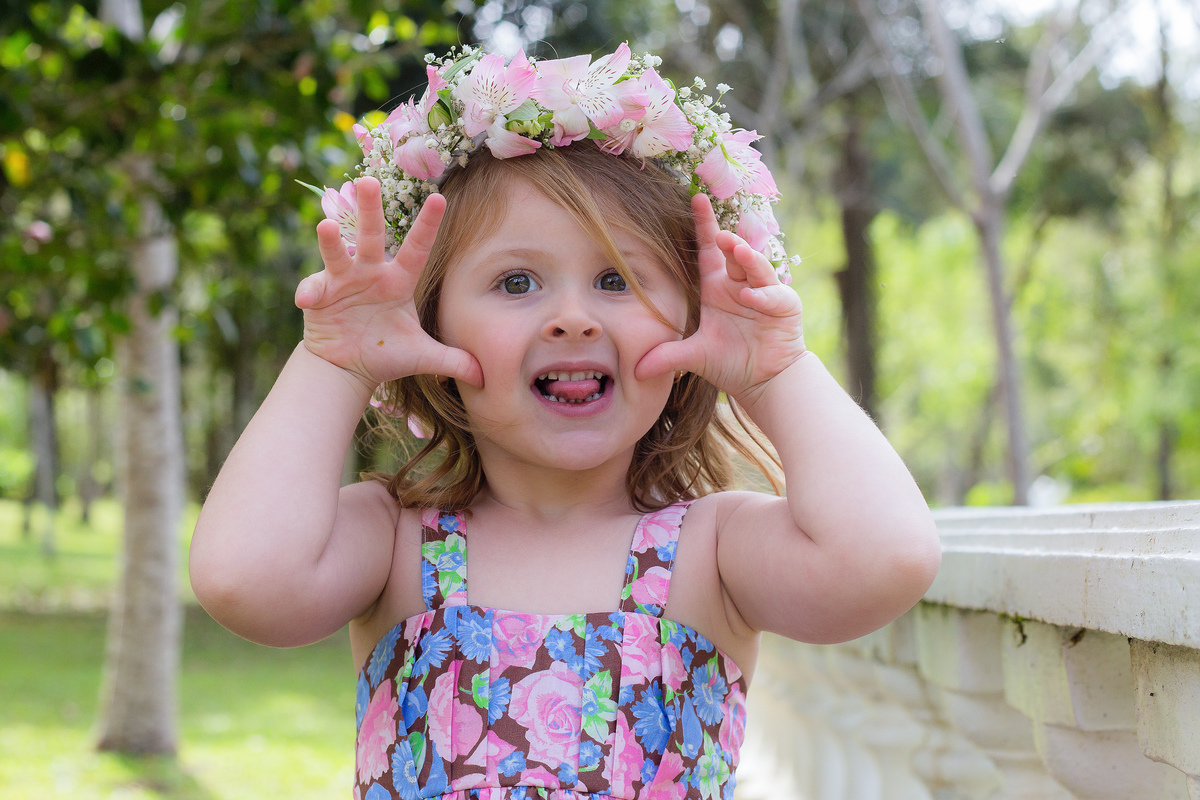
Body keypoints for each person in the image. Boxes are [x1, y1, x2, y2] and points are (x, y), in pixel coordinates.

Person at [189, 44, 940, 800]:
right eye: (517, 282)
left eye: (617, 279)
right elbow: (243, 582)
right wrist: (336, 362)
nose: (573, 318)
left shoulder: (711, 552)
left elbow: (887, 559)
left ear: (691, 318)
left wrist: (775, 372)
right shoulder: (395, 543)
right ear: (430, 319)